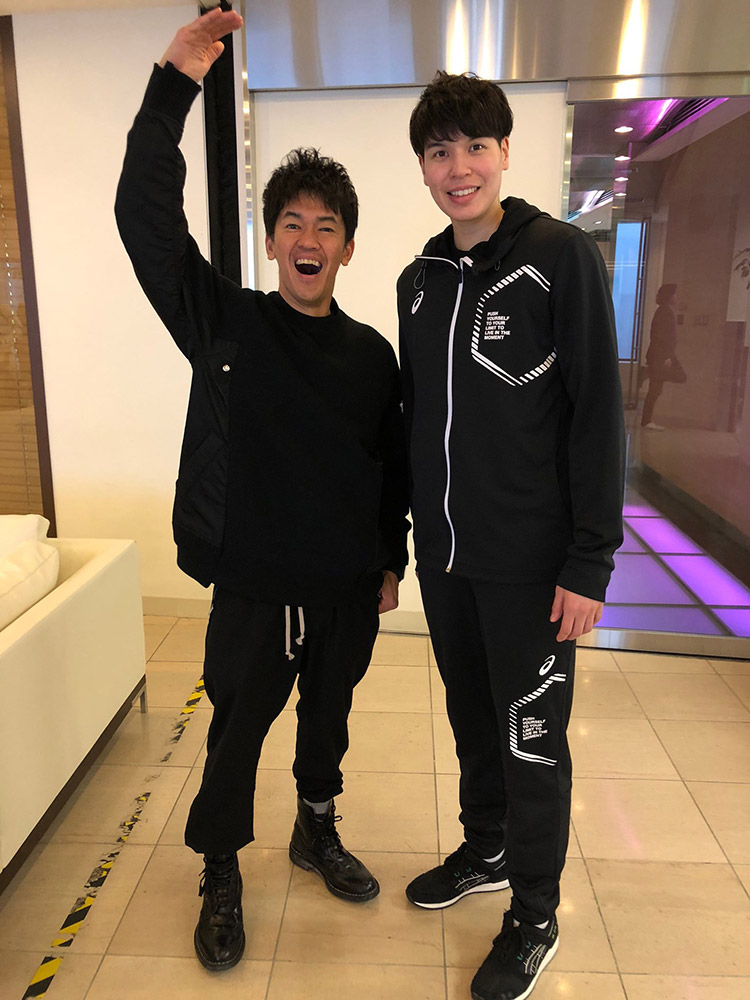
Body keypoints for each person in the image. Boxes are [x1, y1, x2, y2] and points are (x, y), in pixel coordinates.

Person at [115, 9, 409, 972]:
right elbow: (146, 222)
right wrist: (173, 83)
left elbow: (392, 470)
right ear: (272, 241)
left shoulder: (371, 356)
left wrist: (390, 561)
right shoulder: (226, 323)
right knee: (237, 733)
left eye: (327, 226)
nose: (309, 238)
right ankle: (220, 866)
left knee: (329, 720)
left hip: (343, 587)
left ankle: (315, 826)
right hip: (252, 585)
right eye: (293, 224)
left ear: (347, 248)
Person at [397, 72, 624, 1000]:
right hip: (447, 561)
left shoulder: (558, 257)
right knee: (471, 717)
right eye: (439, 152)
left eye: (474, 148)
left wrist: (589, 560)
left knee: (531, 736)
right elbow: (412, 424)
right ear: (423, 166)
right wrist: (399, 542)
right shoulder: (418, 283)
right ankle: (486, 848)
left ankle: (535, 913)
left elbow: (596, 414)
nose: (459, 169)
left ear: (503, 152)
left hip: (532, 568)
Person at [641, 283, 682, 430]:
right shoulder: (665, 312)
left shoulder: (664, 311)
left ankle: (646, 372)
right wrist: (666, 356)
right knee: (655, 389)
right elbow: (661, 336)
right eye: (674, 294)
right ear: (670, 296)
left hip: (659, 355)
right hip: (660, 356)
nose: (676, 297)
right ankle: (646, 420)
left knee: (656, 388)